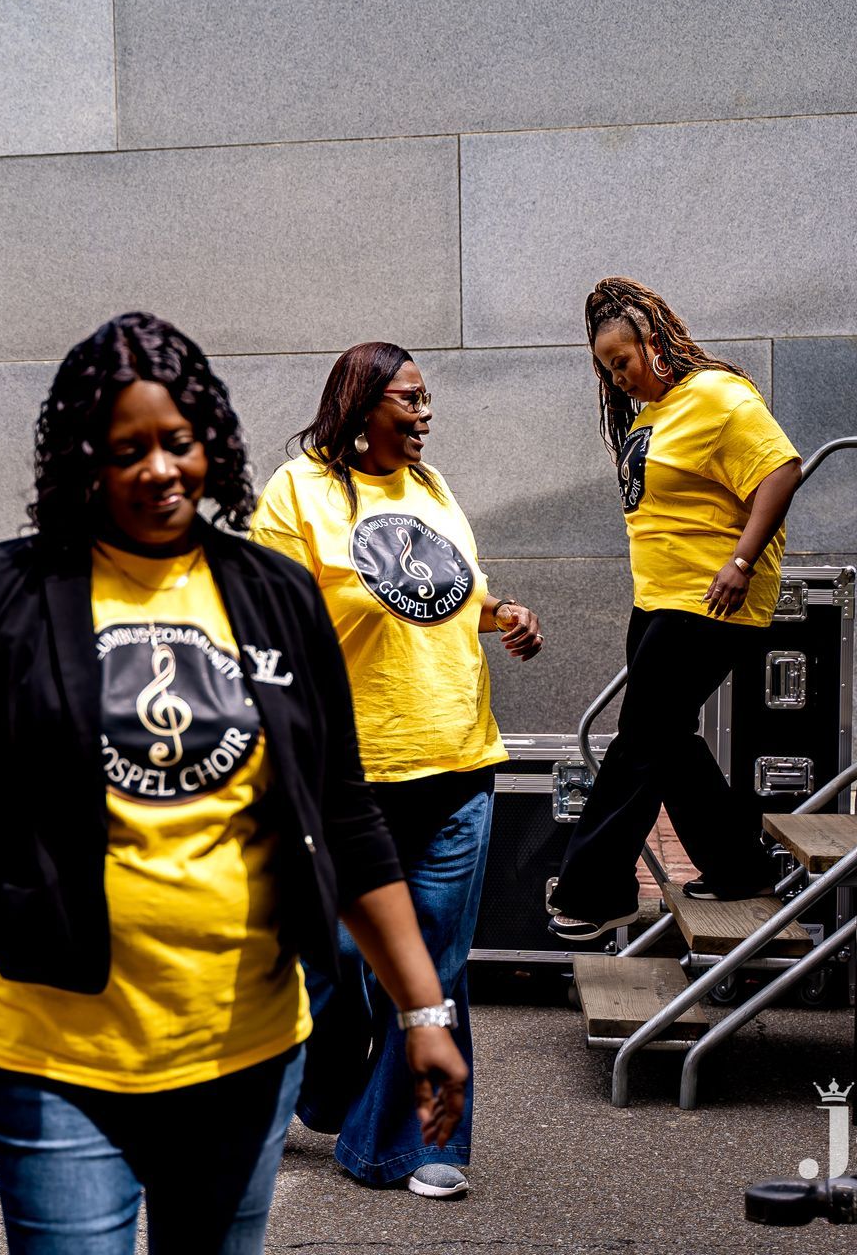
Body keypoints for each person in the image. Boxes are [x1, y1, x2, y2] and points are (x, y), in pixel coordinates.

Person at [0, 312, 468, 1255]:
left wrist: (424, 1011)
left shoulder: (273, 592)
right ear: (82, 460)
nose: (157, 469)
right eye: (125, 448)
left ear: (209, 445)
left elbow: (344, 818)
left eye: (176, 443)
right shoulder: (3, 594)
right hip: (52, 1054)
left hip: (245, 1048)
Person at [248, 342, 540, 1197]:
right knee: (336, 963)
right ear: (362, 403)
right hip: (350, 773)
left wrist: (504, 614)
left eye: (426, 398)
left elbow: (453, 592)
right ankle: (307, 1092)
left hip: (457, 754)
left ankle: (411, 1146)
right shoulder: (296, 492)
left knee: (435, 968)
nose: (425, 413)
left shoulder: (433, 488)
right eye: (409, 399)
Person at [546, 278, 803, 942]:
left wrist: (740, 563)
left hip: (708, 599)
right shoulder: (650, 414)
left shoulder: (717, 395)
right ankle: (739, 868)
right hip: (659, 599)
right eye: (606, 368)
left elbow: (779, 470)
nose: (618, 376)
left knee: (639, 739)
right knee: (670, 741)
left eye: (622, 360)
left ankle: (595, 891)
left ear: (653, 343)